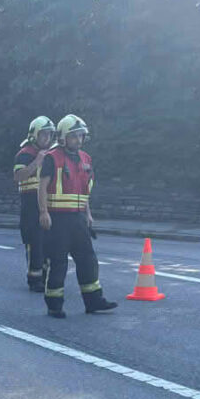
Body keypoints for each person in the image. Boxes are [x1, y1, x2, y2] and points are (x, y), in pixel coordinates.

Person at [37, 114, 117, 318]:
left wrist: (88, 214)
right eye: (74, 137)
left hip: (78, 219)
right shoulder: (52, 157)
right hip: (57, 219)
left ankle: (94, 301)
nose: (78, 141)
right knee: (58, 262)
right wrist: (44, 212)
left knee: (87, 260)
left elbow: (84, 190)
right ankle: (54, 304)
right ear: (63, 137)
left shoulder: (85, 159)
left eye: (81, 137)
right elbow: (42, 187)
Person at [13, 116, 55, 292]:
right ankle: (34, 279)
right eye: (43, 135)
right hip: (30, 204)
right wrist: (36, 162)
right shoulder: (24, 154)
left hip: (48, 203)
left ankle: (46, 277)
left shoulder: (52, 154)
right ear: (34, 135)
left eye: (49, 135)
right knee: (34, 242)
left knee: (49, 243)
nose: (46, 138)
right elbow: (18, 176)